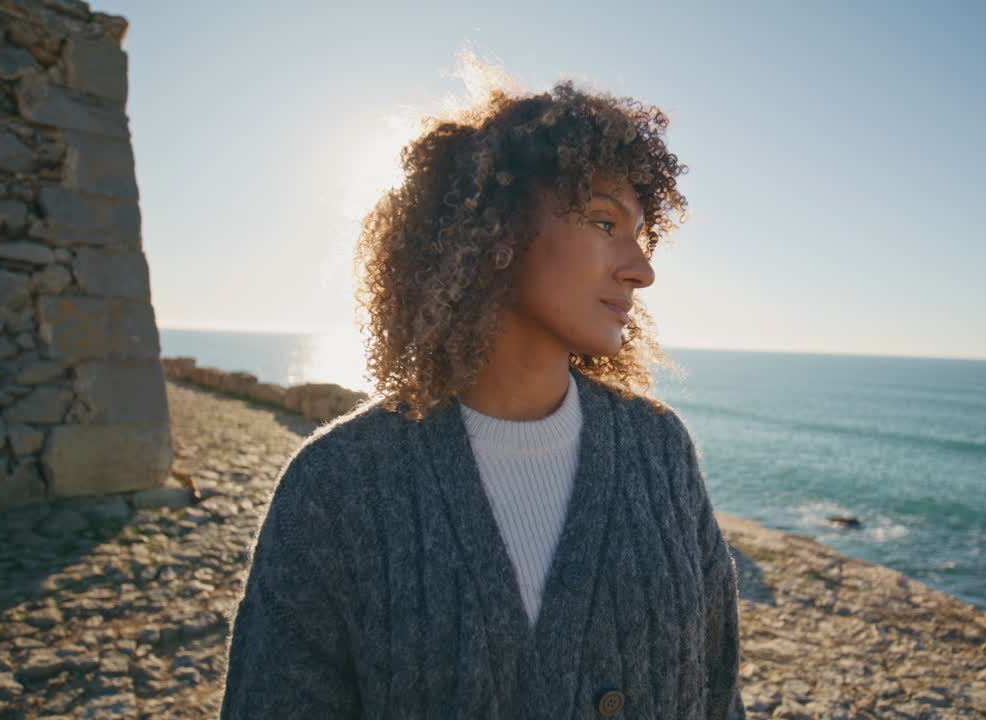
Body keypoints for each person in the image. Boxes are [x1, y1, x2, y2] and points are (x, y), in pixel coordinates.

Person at [219, 79, 746, 719]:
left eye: (642, 236)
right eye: (605, 223)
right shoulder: (338, 484)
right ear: (492, 225)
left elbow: (718, 693)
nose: (642, 269)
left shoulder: (660, 450)